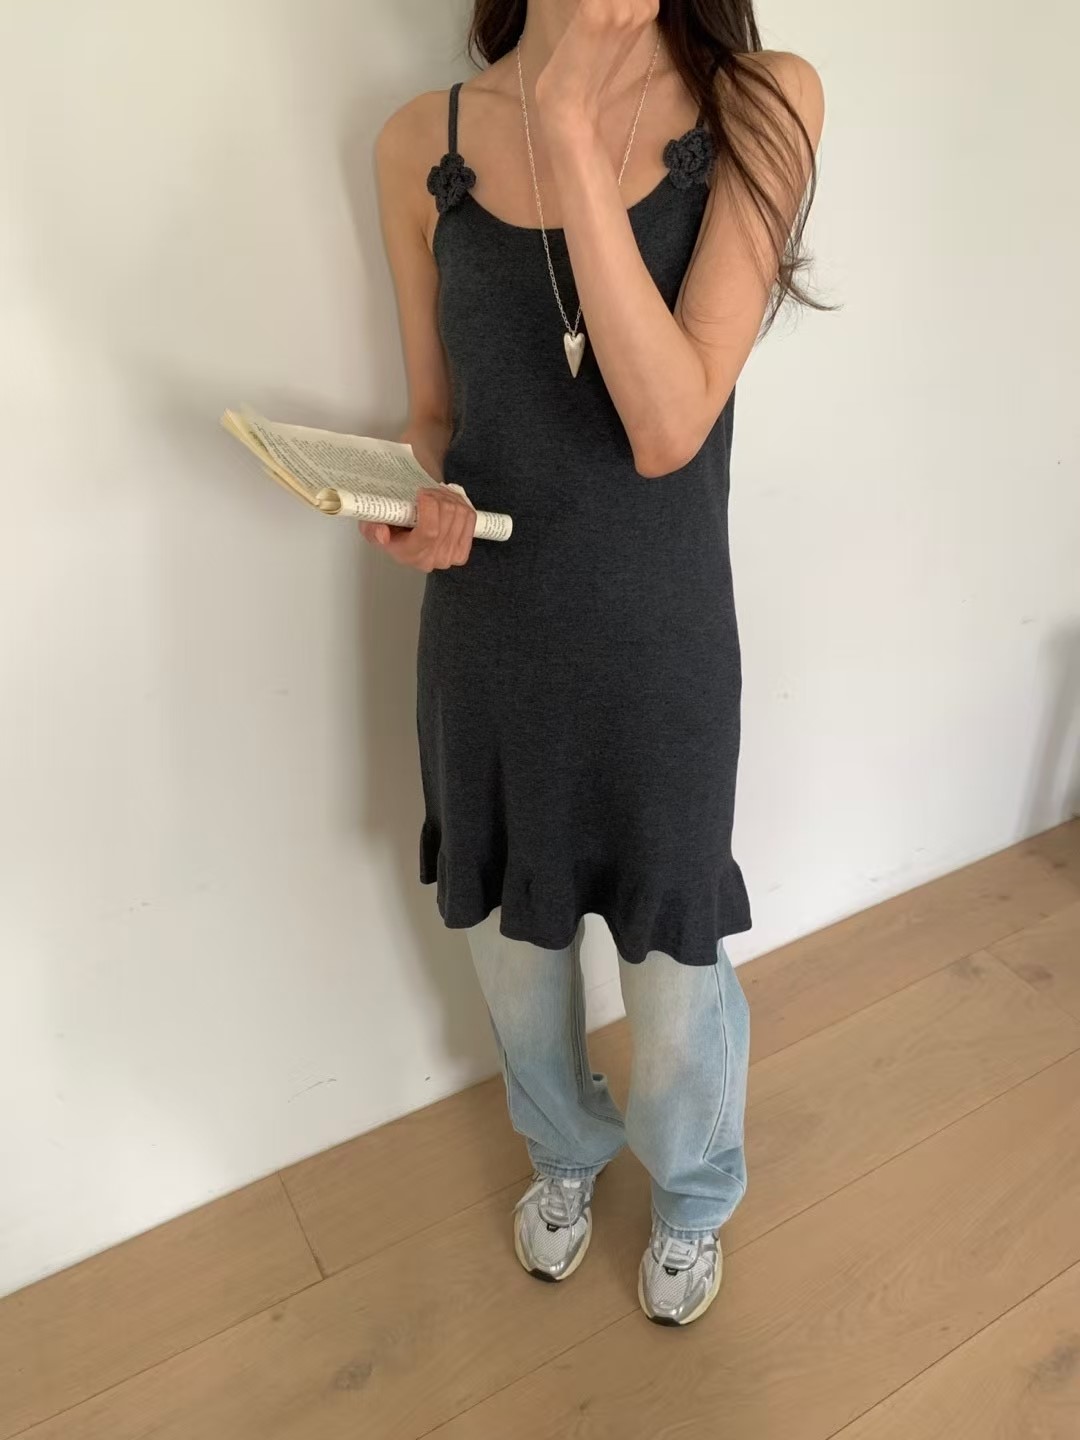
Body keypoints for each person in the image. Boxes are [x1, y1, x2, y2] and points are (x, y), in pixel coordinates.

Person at [364, 0, 824, 1327]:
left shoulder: (761, 102)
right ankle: (562, 1149)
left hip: (660, 640)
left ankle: (692, 1193)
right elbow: (438, 414)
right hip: (486, 640)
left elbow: (670, 425)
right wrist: (415, 497)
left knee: (674, 977)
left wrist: (566, 117)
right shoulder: (420, 141)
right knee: (512, 958)